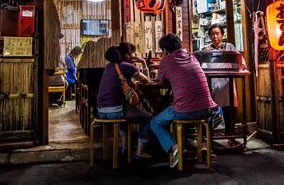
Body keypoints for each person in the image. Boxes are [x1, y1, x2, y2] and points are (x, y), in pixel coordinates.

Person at [150, 33, 217, 168]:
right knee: (180, 105)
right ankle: (199, 147)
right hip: (207, 110)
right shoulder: (192, 57)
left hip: (185, 111)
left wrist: (161, 68)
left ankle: (175, 148)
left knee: (155, 122)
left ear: (165, 49)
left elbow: (161, 81)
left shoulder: (166, 61)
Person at [97, 45, 153, 159]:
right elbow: (147, 81)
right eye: (132, 53)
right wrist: (143, 62)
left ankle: (124, 147)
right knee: (149, 117)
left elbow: (121, 83)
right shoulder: (127, 66)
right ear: (127, 55)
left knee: (124, 113)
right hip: (116, 111)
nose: (134, 55)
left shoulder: (109, 67)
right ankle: (139, 152)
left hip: (101, 111)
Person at [202, 23, 248, 137]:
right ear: (209, 36)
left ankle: (230, 133)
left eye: (217, 33)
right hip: (210, 83)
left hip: (227, 82)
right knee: (209, 109)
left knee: (228, 108)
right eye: (212, 34)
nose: (215, 36)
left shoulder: (229, 47)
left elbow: (240, 61)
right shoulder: (205, 49)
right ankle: (208, 135)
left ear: (222, 35)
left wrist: (242, 67)